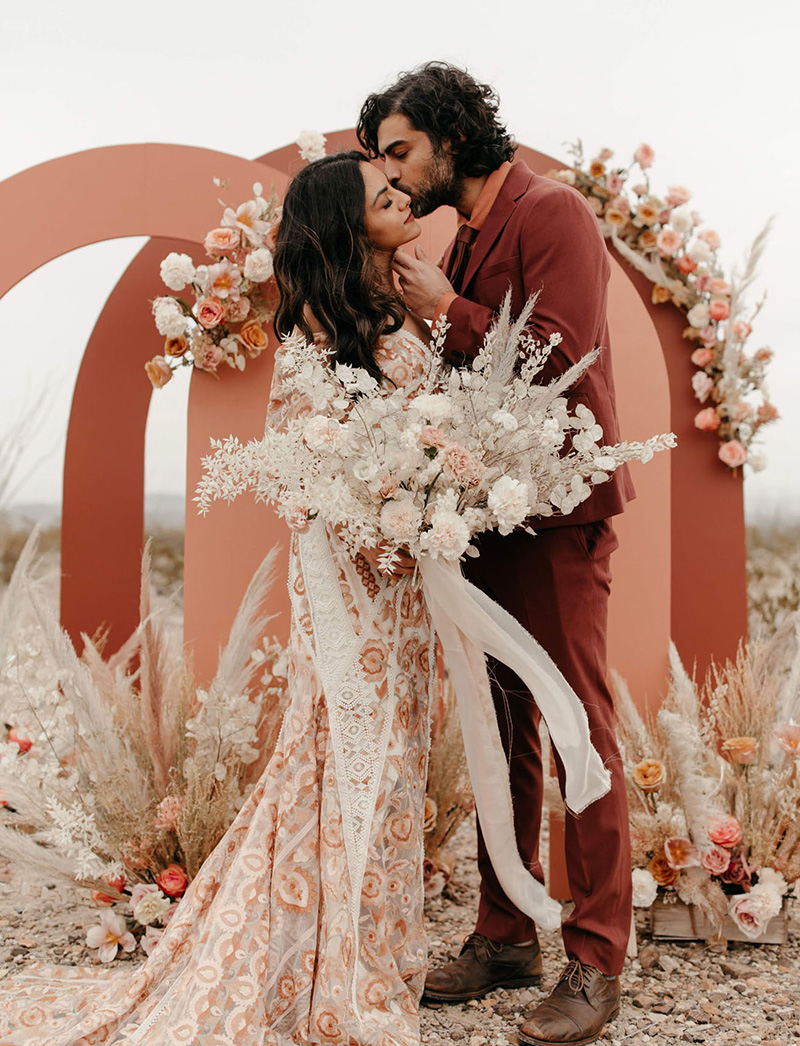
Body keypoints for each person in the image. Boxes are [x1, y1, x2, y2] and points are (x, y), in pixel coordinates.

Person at [0, 152, 437, 1046]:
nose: (403, 198)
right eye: (382, 195)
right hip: (353, 580)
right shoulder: (318, 331)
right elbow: (304, 469)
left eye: (397, 188)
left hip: (410, 581)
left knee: (398, 765)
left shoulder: (400, 303)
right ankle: (327, 964)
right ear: (345, 223)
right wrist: (387, 524)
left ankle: (374, 950)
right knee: (349, 757)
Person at [357, 62, 635, 1046]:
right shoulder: (463, 236)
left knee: (575, 725)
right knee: (501, 725)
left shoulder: (552, 211)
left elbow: (556, 356)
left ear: (448, 135)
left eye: (400, 150)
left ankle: (596, 958)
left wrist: (443, 308)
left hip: (558, 516)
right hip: (485, 521)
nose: (393, 173)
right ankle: (506, 934)